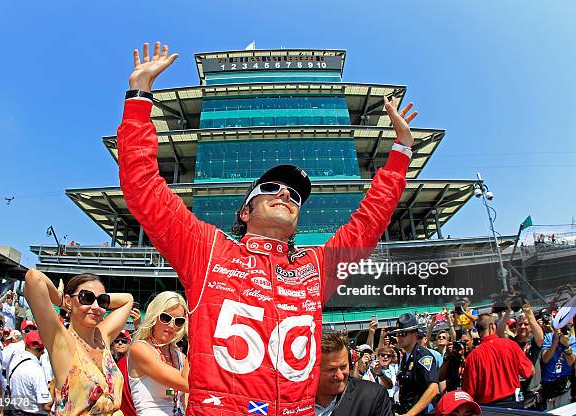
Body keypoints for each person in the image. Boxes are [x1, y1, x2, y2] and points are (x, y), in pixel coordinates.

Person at [118, 40, 416, 416]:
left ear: (296, 223)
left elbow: (369, 221)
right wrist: (140, 94)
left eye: (295, 195)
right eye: (272, 189)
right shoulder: (208, 250)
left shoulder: (314, 269)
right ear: (245, 212)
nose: (287, 195)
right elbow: (142, 186)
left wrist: (402, 151)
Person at [24, 270, 133, 415]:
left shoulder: (102, 337)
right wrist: (62, 300)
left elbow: (128, 299)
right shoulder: (62, 341)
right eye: (86, 298)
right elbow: (33, 278)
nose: (96, 307)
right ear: (69, 301)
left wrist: (92, 298)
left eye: (102, 301)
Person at [127, 291, 189, 415]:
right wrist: (196, 339)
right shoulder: (140, 349)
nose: (172, 325)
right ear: (154, 316)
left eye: (179, 321)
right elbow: (186, 383)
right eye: (165, 317)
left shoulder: (180, 356)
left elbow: (185, 397)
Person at [461, 313, 533, 408]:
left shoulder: (473, 357)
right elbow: (530, 371)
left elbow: (468, 392)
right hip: (513, 404)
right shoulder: (511, 345)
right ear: (492, 326)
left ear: (478, 332)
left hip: (489, 409)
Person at [315, 332, 392, 416]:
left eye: (343, 367)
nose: (340, 376)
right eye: (331, 370)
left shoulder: (373, 397)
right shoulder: (298, 399)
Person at [497, 303, 545, 410]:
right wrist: (509, 310)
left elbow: (540, 337)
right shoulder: (512, 341)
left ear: (531, 327)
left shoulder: (533, 341)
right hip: (517, 393)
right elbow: (500, 331)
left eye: (526, 324)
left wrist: (528, 312)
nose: (522, 327)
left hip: (533, 393)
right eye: (520, 324)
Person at [392, 313, 439, 416]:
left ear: (414, 334)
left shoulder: (423, 356)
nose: (399, 337)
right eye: (397, 334)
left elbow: (433, 388)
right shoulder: (406, 357)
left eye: (403, 333)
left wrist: (410, 414)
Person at [8, 330, 53, 416]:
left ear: (26, 344)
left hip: (16, 411)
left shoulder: (14, 361)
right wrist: (53, 385)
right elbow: (46, 406)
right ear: (43, 350)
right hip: (33, 413)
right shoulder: (37, 370)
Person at [540, 323, 575, 410]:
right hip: (548, 382)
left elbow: (570, 362)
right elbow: (545, 359)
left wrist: (566, 346)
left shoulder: (572, 340)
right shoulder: (548, 337)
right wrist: (555, 342)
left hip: (564, 383)